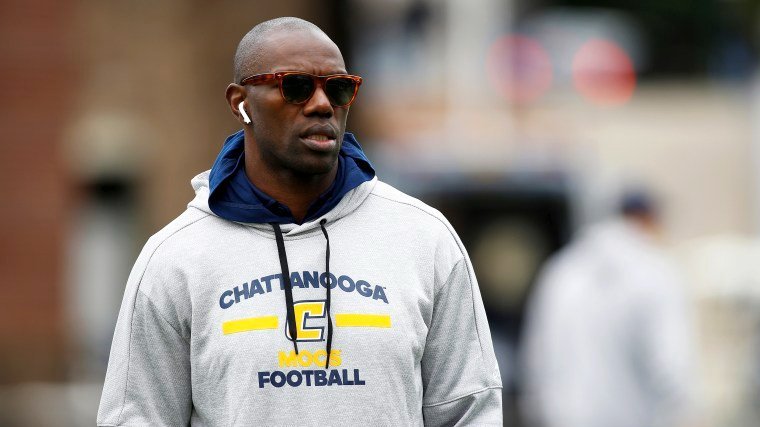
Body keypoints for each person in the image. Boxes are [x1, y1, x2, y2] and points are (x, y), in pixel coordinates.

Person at [97, 17, 502, 426]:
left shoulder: (424, 239)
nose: (322, 104)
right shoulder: (176, 258)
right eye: (296, 86)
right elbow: (135, 417)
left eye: (339, 88)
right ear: (241, 102)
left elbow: (470, 411)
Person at [520, 191, 696, 427]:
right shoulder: (655, 273)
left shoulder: (561, 271)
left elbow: (536, 357)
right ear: (649, 219)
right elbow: (671, 366)